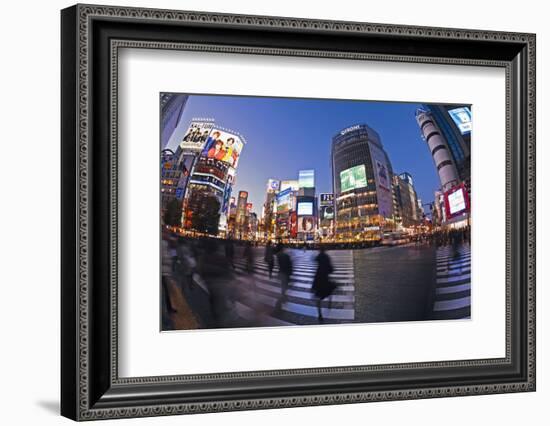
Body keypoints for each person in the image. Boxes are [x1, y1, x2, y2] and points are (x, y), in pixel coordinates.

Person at [312, 247, 335, 322]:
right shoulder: (327, 257)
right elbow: (331, 269)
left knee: (318, 297)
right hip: (325, 278)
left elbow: (314, 260)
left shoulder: (319, 256)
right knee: (329, 291)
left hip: (318, 279)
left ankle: (320, 314)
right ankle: (329, 303)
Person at [275, 245, 293, 310]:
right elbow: (290, 264)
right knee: (285, 284)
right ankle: (283, 296)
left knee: (283, 284)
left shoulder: (278, 255)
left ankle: (283, 295)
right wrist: (290, 272)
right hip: (286, 272)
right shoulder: (286, 256)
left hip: (282, 272)